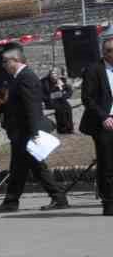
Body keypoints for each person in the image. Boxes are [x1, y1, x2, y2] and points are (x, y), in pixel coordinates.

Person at [0, 44, 69, 212]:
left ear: (16, 60)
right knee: (20, 167)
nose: (3, 65)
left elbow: (32, 106)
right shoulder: (16, 79)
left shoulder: (26, 77)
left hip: (25, 131)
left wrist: (34, 133)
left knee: (34, 166)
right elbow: (15, 105)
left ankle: (57, 197)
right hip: (20, 131)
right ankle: (12, 201)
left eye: (5, 61)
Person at [78, 33, 113, 216]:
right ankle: (108, 202)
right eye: (108, 51)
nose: (111, 54)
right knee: (107, 163)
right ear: (104, 52)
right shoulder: (94, 70)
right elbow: (88, 99)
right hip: (104, 124)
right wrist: (103, 117)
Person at [43, 68, 75, 135]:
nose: (54, 75)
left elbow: (69, 90)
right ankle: (62, 129)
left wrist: (61, 87)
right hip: (50, 101)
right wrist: (58, 90)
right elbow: (47, 94)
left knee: (68, 107)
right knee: (60, 109)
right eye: (52, 73)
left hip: (61, 100)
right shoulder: (45, 82)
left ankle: (69, 128)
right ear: (49, 75)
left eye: (55, 73)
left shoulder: (60, 81)